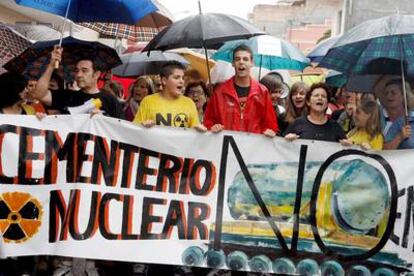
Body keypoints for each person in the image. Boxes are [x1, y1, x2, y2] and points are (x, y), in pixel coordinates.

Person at [203, 45, 278, 137]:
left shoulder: (262, 92)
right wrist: (212, 127)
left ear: (252, 63)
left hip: (253, 148)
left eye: (245, 59)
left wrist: (269, 132)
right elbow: (208, 121)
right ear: (233, 63)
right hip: (226, 147)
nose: (241, 62)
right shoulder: (220, 92)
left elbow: (270, 125)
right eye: (237, 59)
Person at [32, 46, 124, 119]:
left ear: (96, 74)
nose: (79, 75)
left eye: (84, 70)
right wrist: (51, 65)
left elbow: (120, 129)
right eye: (77, 70)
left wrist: (103, 120)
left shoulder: (110, 100)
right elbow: (40, 94)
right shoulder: (68, 96)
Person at [133, 61, 205, 131]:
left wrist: (200, 130)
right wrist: (142, 126)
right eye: (177, 77)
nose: (181, 81)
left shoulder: (189, 103)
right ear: (164, 80)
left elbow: (195, 133)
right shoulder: (148, 101)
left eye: (182, 78)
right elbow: (134, 130)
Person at [376, 79, 414, 149]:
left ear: (404, 96)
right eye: (386, 93)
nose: (388, 96)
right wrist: (400, 136)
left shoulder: (412, 117)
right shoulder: (397, 123)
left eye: (393, 93)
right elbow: (385, 149)